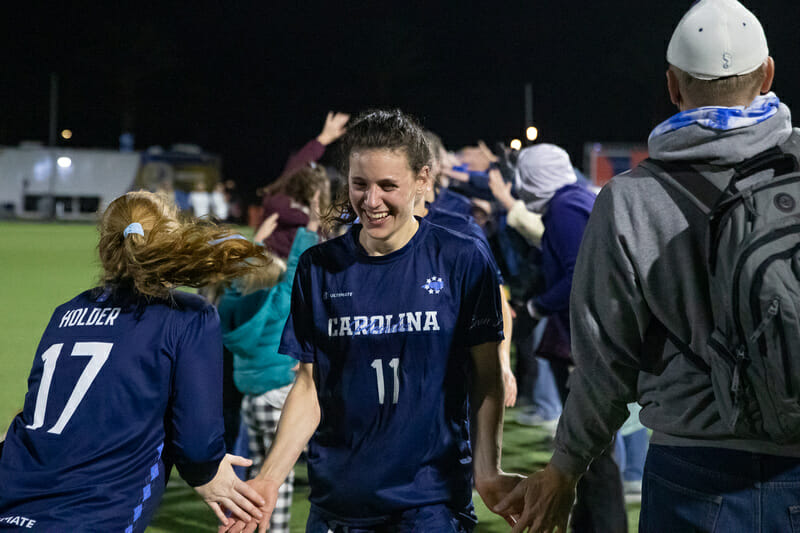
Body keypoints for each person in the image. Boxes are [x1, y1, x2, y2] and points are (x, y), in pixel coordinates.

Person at [495, 1, 800, 531]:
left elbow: (602, 363)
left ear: (674, 87)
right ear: (769, 73)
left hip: (692, 469)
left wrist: (565, 469)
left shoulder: (630, 199)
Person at [222, 109, 521, 533]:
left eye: (387, 186)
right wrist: (269, 480)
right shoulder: (319, 267)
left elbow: (486, 376)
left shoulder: (461, 258)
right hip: (338, 505)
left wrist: (487, 472)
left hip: (430, 503)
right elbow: (309, 386)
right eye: (359, 184)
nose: (371, 200)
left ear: (422, 180)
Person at [0, 191, 269, 532]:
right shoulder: (185, 316)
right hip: (93, 518)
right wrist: (207, 469)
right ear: (172, 240)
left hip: (11, 505)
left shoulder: (65, 313)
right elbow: (198, 444)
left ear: (105, 247)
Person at [494, 143, 628, 532]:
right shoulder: (576, 199)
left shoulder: (567, 207)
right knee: (590, 454)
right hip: (594, 338)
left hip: (585, 342)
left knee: (593, 454)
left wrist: (536, 306)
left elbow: (576, 277)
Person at [218, 193, 322, 533]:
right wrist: (311, 227)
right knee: (285, 476)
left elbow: (238, 278)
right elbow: (295, 269)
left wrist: (256, 241)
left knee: (262, 470)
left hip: (251, 399)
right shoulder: (278, 300)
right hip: (280, 395)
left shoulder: (230, 304)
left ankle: (256, 527)